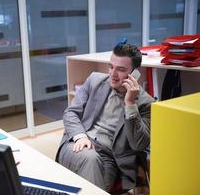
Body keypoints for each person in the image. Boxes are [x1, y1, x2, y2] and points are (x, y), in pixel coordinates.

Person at [55, 42, 155, 192]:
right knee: (90, 160)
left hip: (110, 158)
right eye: (111, 66)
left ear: (135, 73)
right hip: (78, 143)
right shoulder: (95, 80)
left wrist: (130, 103)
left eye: (120, 69)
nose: (113, 74)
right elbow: (71, 112)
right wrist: (80, 136)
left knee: (95, 184)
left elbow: (138, 144)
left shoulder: (146, 103)